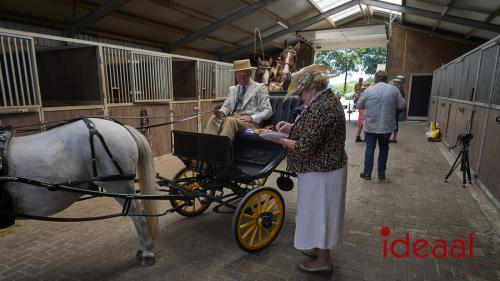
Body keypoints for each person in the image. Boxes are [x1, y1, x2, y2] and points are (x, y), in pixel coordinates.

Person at [262, 64, 347, 273]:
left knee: (321, 214)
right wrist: (291, 127)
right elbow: (313, 130)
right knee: (316, 213)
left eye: (301, 92)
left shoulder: (322, 106)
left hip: (323, 171)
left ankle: (323, 261)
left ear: (312, 88)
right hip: (321, 170)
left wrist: (279, 140)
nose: (300, 97)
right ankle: (318, 249)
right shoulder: (322, 101)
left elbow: (305, 146)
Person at [204, 59, 272, 141]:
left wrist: (252, 117)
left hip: (251, 123)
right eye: (239, 76)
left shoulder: (260, 88)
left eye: (244, 75)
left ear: (250, 73)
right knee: (213, 118)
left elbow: (268, 111)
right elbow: (227, 107)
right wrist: (221, 112)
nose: (242, 79)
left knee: (230, 121)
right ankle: (207, 149)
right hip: (235, 119)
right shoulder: (233, 89)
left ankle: (222, 151)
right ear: (235, 74)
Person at [357, 71, 405, 180]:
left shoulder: (369, 90)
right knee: (384, 149)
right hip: (386, 126)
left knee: (370, 148)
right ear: (386, 79)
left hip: (371, 126)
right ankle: (381, 173)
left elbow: (359, 105)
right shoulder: (394, 89)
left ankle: (367, 173)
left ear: (375, 79)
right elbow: (402, 105)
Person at [391, 75, 406, 143]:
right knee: (394, 122)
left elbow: (398, 100)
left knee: (395, 122)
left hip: (397, 108)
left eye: (396, 82)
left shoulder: (399, 89)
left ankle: (394, 138)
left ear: (400, 82)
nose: (395, 83)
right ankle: (394, 137)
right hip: (396, 108)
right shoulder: (398, 89)